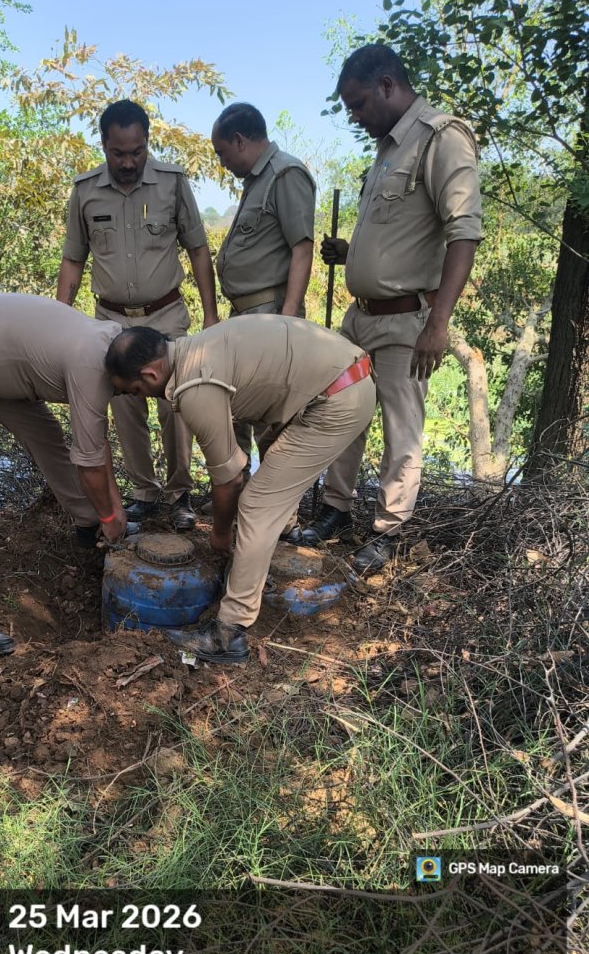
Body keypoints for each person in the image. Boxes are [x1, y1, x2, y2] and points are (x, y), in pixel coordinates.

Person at [295, 43, 482, 573]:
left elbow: (463, 233)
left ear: (386, 85)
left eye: (358, 104)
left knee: (402, 428)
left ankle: (389, 531)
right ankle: (335, 509)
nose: (354, 116)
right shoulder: (385, 151)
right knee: (343, 413)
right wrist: (350, 256)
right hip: (362, 317)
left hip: (407, 320)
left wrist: (438, 323)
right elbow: (401, 238)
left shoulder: (441, 139)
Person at [106, 317, 376, 663]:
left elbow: (231, 476)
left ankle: (229, 633)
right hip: (339, 378)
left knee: (258, 504)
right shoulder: (193, 349)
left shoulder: (194, 388)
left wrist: (220, 533)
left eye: (135, 392)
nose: (139, 398)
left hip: (337, 398)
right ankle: (269, 551)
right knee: (271, 462)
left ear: (149, 375)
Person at [0, 293, 136, 655]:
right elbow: (90, 462)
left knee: (49, 439)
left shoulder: (114, 344)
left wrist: (111, 513)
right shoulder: (92, 368)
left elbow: (96, 444)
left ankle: (88, 527)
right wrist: (112, 515)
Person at [57, 99, 219, 532]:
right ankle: (144, 493)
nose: (128, 162)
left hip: (165, 314)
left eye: (137, 152)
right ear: (104, 145)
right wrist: (60, 320)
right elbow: (73, 259)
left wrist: (211, 314)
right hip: (111, 320)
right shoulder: (85, 191)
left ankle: (180, 493)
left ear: (148, 143)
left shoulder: (172, 183)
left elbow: (198, 249)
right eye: (118, 153)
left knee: (176, 403)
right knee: (126, 408)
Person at [211, 101, 316, 483]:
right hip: (244, 317)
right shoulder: (257, 180)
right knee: (234, 406)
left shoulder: (285, 174)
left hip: (269, 314)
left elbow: (302, 248)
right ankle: (237, 494)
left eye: (222, 152)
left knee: (271, 417)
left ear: (239, 141)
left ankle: (278, 513)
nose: (221, 162)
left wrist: (287, 319)